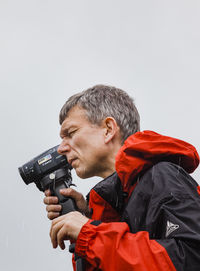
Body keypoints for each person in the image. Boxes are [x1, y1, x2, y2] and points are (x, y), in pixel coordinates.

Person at [43, 85, 200, 271]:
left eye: (71, 133)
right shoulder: (113, 206)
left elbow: (191, 258)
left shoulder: (163, 175)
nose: (61, 148)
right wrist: (89, 219)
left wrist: (91, 233)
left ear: (108, 129)